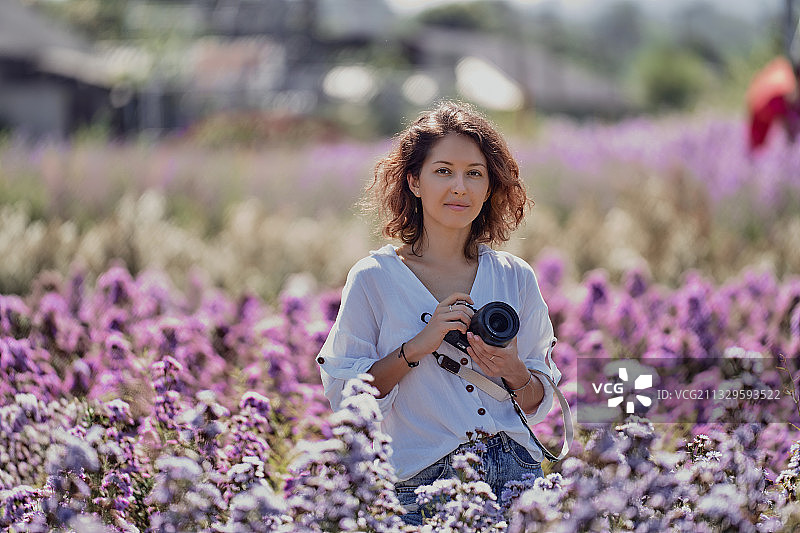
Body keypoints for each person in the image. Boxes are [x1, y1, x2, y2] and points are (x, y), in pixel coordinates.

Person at [316, 100, 561, 526]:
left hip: (517, 480)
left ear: (490, 187)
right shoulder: (375, 277)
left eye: (474, 173)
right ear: (413, 180)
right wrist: (417, 348)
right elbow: (347, 396)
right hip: (421, 487)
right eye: (443, 171)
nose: (460, 187)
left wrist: (515, 371)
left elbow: (539, 399)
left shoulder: (514, 277)